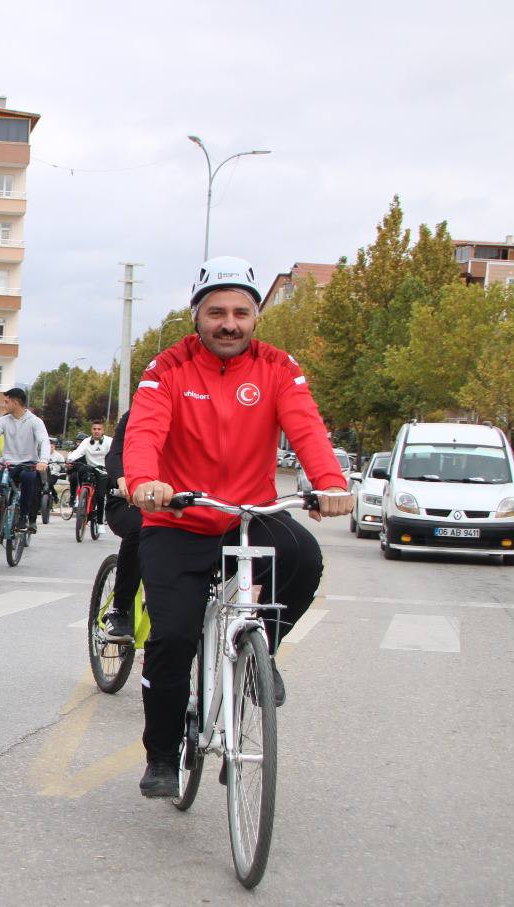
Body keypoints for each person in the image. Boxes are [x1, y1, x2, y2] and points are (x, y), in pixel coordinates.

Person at [123, 256, 352, 798]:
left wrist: (329, 481)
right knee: (172, 637)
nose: (229, 324)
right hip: (179, 517)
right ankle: (161, 753)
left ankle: (259, 654)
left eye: (241, 313)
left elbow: (307, 427)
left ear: (255, 318)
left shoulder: (278, 368)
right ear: (197, 315)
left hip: (248, 518)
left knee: (304, 558)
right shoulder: (168, 368)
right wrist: (143, 480)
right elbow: (146, 429)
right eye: (217, 312)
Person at [0, 388, 50, 533]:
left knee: (28, 479)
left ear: (16, 402)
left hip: (28, 464)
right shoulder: (4, 421)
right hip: (8, 464)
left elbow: (44, 441)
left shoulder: (35, 422)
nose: (4, 405)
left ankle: (23, 516)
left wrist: (43, 460)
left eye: (7, 402)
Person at [100, 411, 141, 641]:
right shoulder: (136, 415)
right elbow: (115, 454)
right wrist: (122, 478)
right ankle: (120, 610)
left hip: (175, 501)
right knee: (141, 529)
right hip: (127, 499)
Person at [68, 419, 111, 523]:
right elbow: (78, 452)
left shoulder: (110, 441)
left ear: (103, 430)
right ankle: (81, 498)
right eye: (94, 429)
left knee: (100, 496)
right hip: (90, 467)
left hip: (103, 470)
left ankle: (100, 522)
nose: (96, 431)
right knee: (79, 472)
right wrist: (69, 460)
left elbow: (114, 454)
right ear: (91, 430)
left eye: (99, 429)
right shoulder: (86, 441)